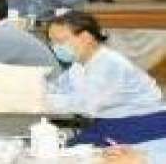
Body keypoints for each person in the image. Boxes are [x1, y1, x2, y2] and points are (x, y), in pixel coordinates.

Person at [46, 12, 166, 157]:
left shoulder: (111, 63)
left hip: (141, 125)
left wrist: (43, 100)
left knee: (73, 154)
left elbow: (87, 105)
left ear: (86, 37)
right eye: (52, 42)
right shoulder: (79, 65)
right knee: (67, 149)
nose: (55, 47)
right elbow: (58, 88)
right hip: (111, 123)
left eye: (60, 41)